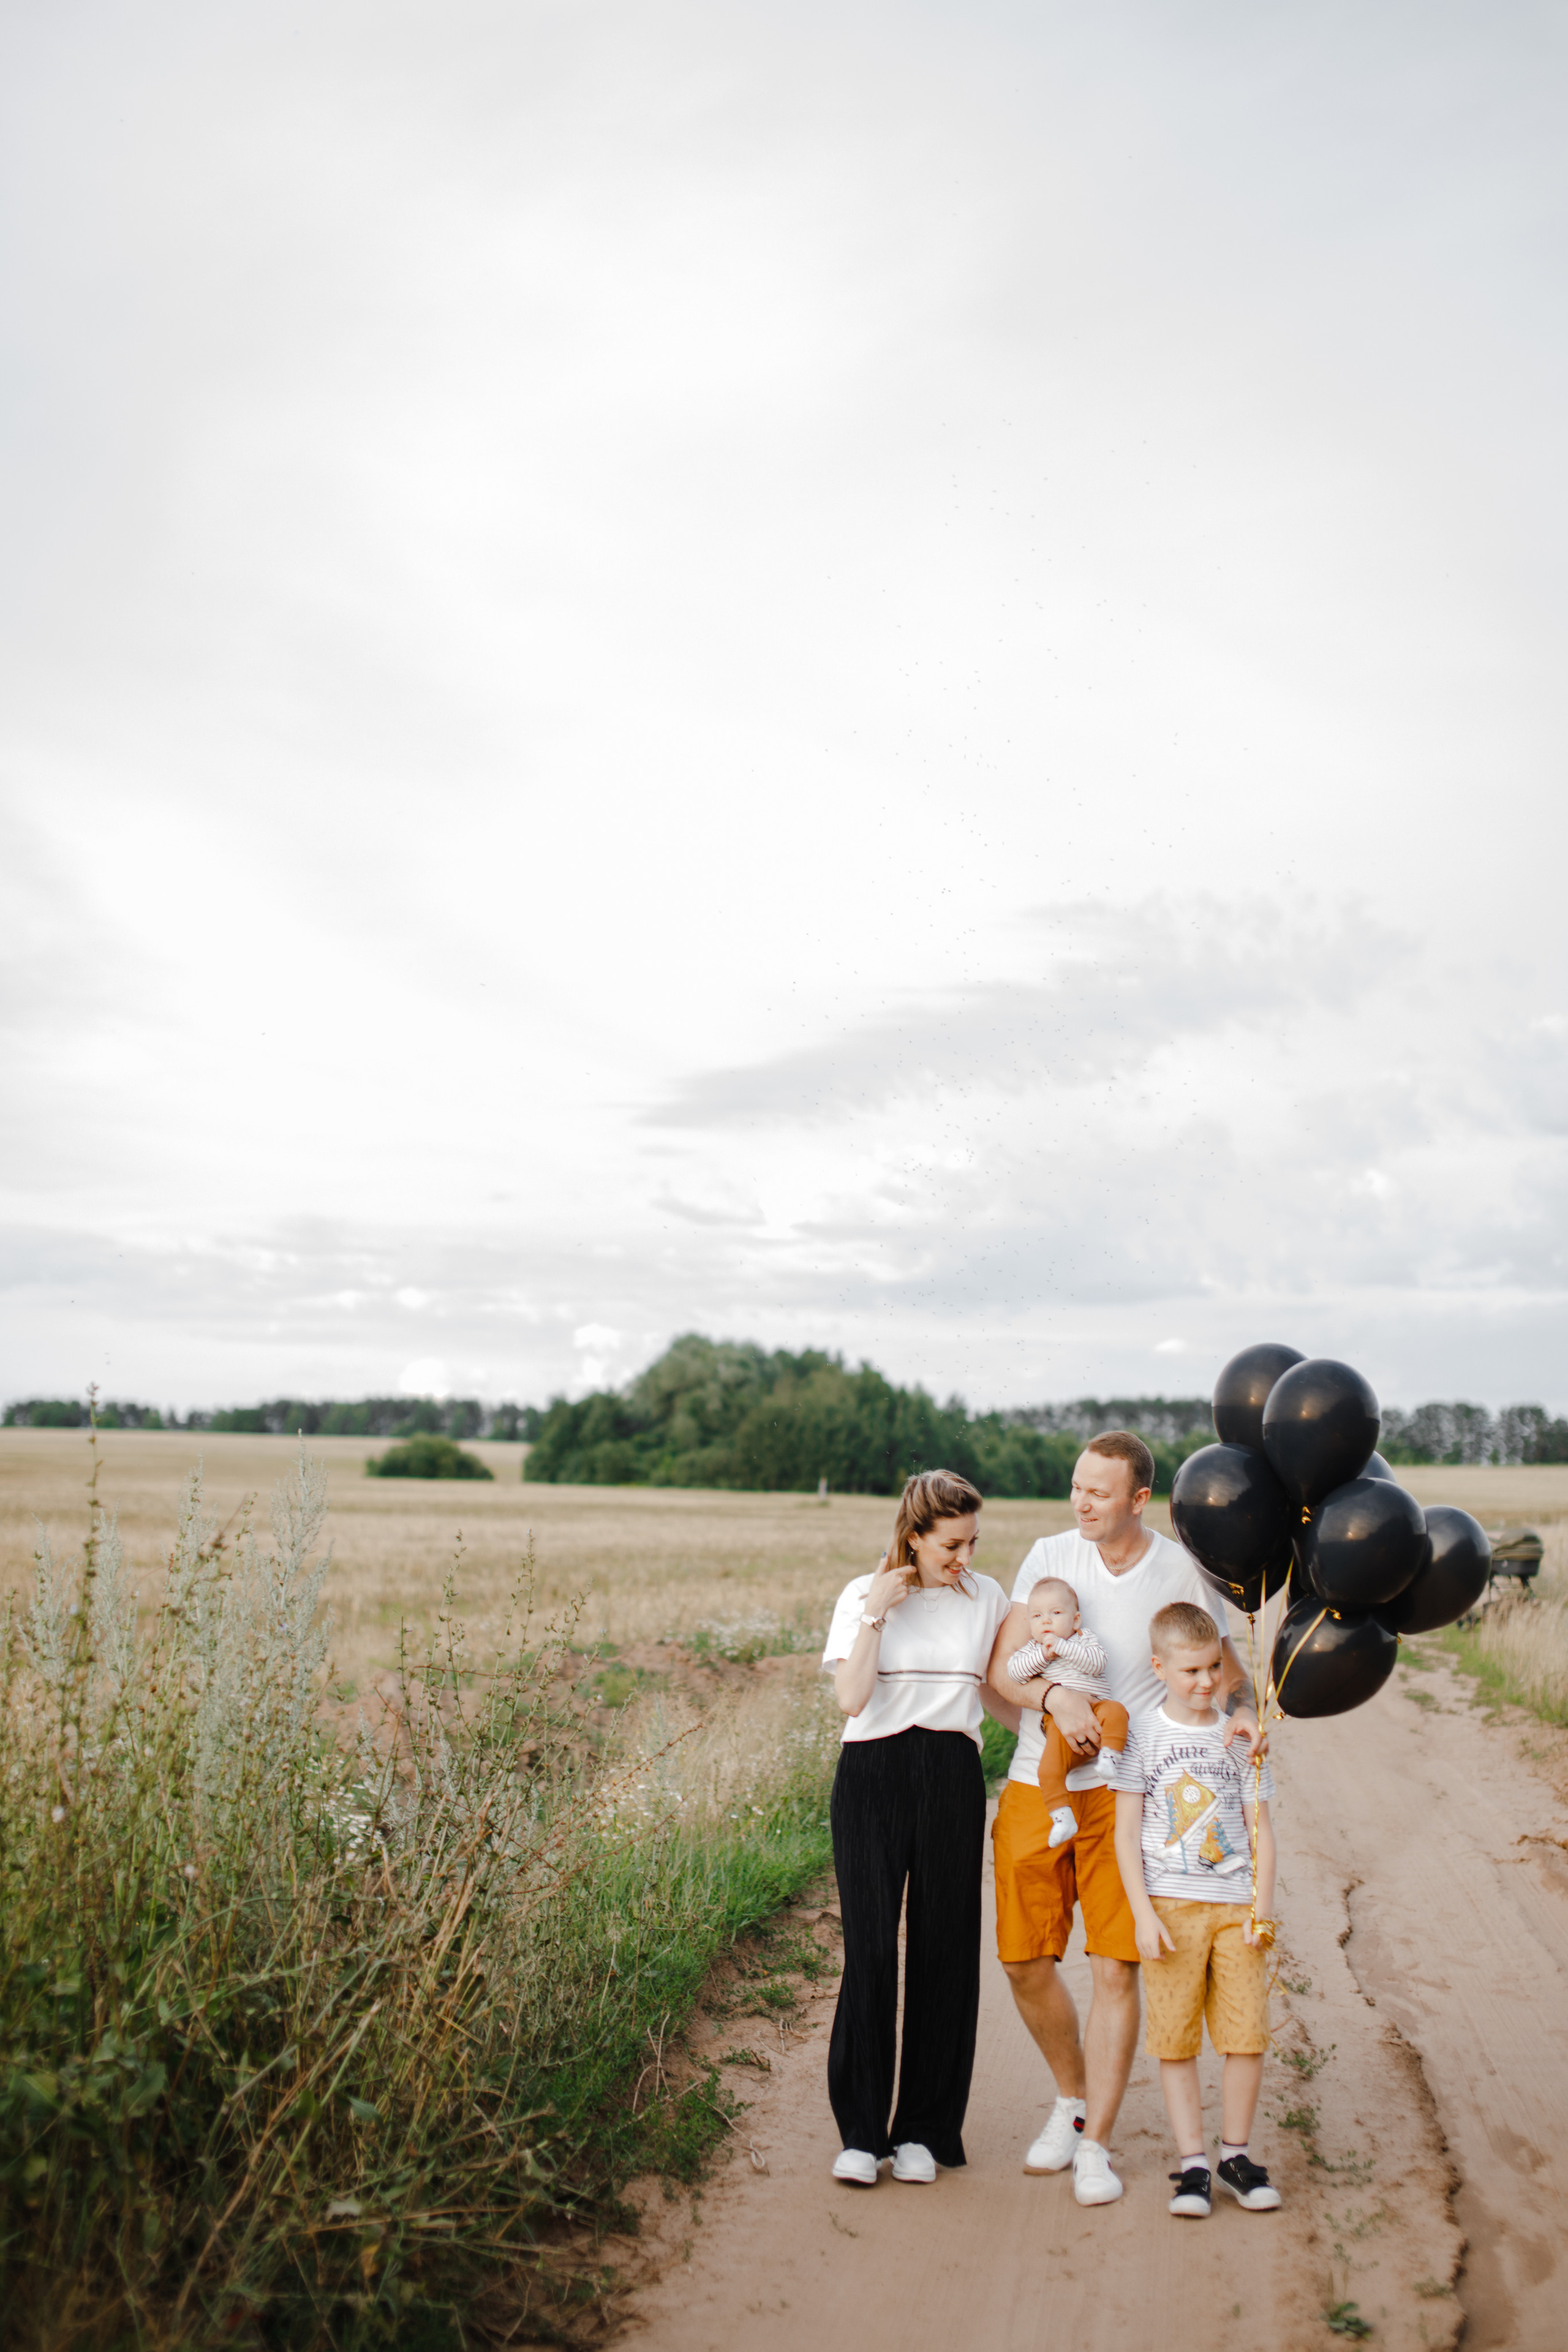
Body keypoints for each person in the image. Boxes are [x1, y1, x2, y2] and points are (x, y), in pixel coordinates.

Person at [984, 1431, 1262, 2208]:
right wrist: (1056, 1699)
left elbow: (1223, 1671)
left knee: (1115, 1967)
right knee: (1020, 1959)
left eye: (1099, 1492)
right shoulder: (1045, 1557)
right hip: (1035, 1786)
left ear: (1139, 1499)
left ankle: (1096, 2143)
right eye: (1076, 1486)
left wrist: (1240, 1715)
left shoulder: (1176, 1569)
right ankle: (1069, 2102)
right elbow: (1000, 1675)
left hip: (1128, 1793)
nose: (1081, 1502)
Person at [821, 1468, 1012, 2187]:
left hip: (951, 1777)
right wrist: (874, 1609)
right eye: (951, 1545)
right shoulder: (859, 1596)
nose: (964, 1557)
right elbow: (850, 1698)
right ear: (914, 1535)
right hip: (870, 1777)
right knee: (869, 1948)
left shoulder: (985, 1597)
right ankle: (863, 2134)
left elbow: (998, 1691)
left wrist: (1055, 1738)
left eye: (972, 1542)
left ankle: (926, 2132)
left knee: (944, 1950)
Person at [1110, 1600, 1281, 2219]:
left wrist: (1261, 1909)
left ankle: (1235, 2154)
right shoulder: (1141, 1735)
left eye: (1213, 1667)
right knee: (1175, 2040)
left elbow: (1257, 1825)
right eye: (1190, 1672)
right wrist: (1141, 1913)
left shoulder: (1236, 1736)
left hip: (1234, 1910)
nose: (1206, 1682)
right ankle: (1192, 2165)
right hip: (1171, 1909)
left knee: (1245, 2035)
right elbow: (1125, 1833)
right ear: (1158, 1667)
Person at [1005, 1577, 1129, 1849]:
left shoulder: (1084, 1640)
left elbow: (1097, 1664)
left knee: (1118, 1712)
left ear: (1075, 1621)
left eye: (1055, 1613)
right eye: (1037, 1616)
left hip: (1097, 1707)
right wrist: (1044, 1657)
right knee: (1048, 1771)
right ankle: (1062, 1817)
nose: (1046, 1622)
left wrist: (1062, 1648)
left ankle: (1110, 1756)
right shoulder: (1034, 1650)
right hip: (1059, 1725)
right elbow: (1015, 1672)